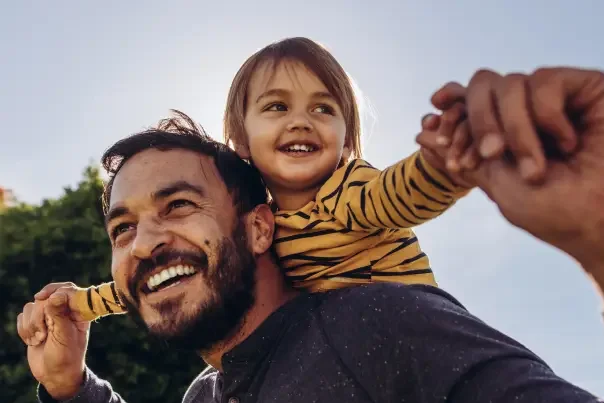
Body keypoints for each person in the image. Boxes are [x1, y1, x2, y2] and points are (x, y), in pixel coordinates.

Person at [17, 66, 604, 403]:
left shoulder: (379, 329)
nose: (145, 243)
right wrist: (68, 385)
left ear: (261, 229)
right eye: (122, 229)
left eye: (179, 206)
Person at [65, 37, 477, 322]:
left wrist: (442, 166)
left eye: (323, 109)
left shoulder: (347, 188)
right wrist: (82, 304)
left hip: (421, 334)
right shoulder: (262, 228)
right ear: (241, 139)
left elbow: (398, 194)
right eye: (278, 106)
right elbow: (164, 273)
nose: (301, 121)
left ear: (347, 140)